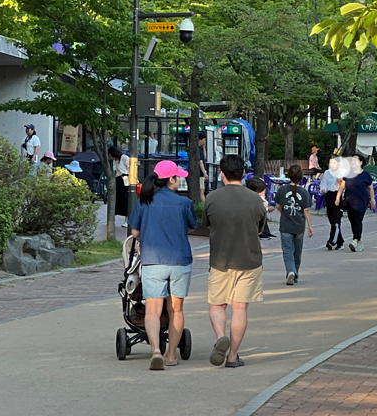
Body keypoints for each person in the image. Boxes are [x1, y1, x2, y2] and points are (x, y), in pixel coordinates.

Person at [128, 160, 197, 370]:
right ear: (172, 179)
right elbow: (192, 227)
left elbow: (135, 232)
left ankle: (156, 351)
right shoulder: (184, 203)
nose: (180, 181)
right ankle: (171, 355)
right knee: (176, 310)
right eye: (178, 178)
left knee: (152, 311)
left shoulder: (144, 202)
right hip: (179, 260)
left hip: (153, 260)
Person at [202, 154, 265, 369]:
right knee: (240, 308)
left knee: (217, 304)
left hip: (220, 260)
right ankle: (232, 356)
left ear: (222, 173)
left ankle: (221, 337)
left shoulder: (212, 198)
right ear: (243, 173)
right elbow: (260, 228)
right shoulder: (255, 199)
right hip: (249, 260)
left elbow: (207, 225)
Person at [275, 164, 314, 285]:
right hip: (299, 226)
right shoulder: (304, 192)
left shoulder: (282, 190)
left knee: (287, 250)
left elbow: (277, 205)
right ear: (301, 177)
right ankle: (295, 273)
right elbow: (306, 210)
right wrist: (310, 226)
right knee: (297, 252)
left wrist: (284, 213)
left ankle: (291, 271)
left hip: (285, 225)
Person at [337, 153, 375, 252]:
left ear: (361, 162)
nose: (352, 162)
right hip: (349, 202)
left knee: (358, 221)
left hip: (361, 202)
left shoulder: (366, 175)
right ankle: (359, 242)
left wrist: (372, 200)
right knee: (353, 221)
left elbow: (371, 188)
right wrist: (338, 197)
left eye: (355, 160)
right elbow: (342, 186)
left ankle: (355, 240)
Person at [321, 159, 344, 250]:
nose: (332, 165)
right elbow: (324, 183)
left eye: (334, 163)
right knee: (331, 219)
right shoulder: (327, 172)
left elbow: (344, 186)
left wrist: (340, 183)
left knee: (336, 219)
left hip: (338, 195)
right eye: (330, 163)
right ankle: (340, 241)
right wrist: (323, 188)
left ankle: (331, 241)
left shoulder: (342, 173)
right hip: (329, 195)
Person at [109, 145, 131, 228]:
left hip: (125, 180)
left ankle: (127, 220)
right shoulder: (116, 160)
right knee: (118, 199)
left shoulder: (124, 158)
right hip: (118, 179)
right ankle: (113, 219)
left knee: (125, 199)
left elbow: (131, 168)